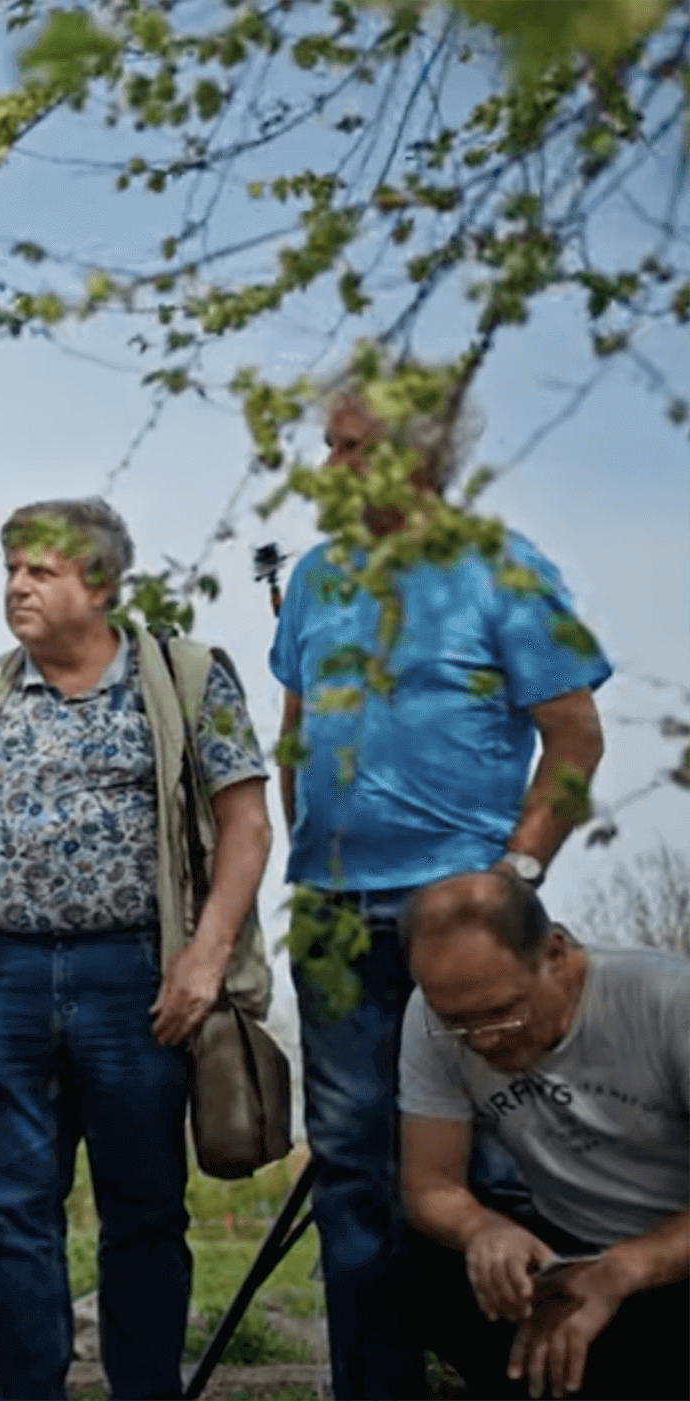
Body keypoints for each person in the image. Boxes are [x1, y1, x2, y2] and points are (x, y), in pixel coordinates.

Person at [0, 498, 274, 1401]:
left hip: (135, 975)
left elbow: (246, 825)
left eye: (41, 570)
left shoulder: (188, 677)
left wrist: (204, 958)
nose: (17, 584)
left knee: (143, 1213)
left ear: (99, 584)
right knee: (9, 1212)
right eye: (10, 567)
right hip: (10, 976)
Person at [271, 375, 610, 1398]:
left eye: (346, 449)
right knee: (349, 1171)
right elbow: (293, 741)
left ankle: (512, 1378)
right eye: (325, 446)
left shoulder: (499, 569)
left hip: (462, 919)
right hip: (334, 918)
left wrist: (513, 875)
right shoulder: (317, 578)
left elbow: (574, 737)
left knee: (502, 1165)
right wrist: (312, 870)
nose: (324, 468)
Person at [396, 871, 689, 1401]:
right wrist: (480, 1229)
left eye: (502, 1011)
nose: (480, 1040)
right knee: (392, 1242)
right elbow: (430, 1185)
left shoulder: (667, 1001)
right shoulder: (432, 1016)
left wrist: (626, 1269)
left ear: (555, 954)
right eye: (456, 1020)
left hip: (672, 1256)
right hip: (568, 1249)